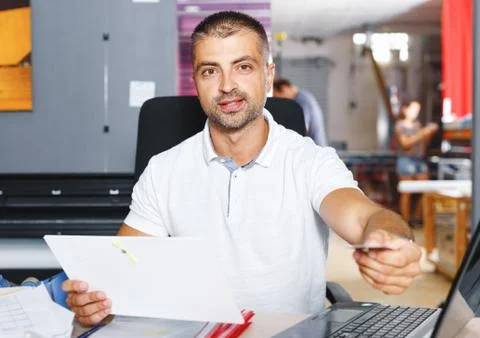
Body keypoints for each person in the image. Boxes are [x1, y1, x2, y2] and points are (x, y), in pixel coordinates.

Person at [63, 11, 422, 327]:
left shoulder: (310, 161)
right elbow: (122, 271)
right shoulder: (164, 169)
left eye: (243, 66)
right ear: (197, 83)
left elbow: (364, 218)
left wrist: (390, 239)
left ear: (268, 75)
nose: (227, 85)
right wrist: (97, 301)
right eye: (210, 71)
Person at [395, 99, 438, 223]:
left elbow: (424, 143)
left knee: (425, 190)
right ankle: (406, 221)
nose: (416, 113)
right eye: (414, 109)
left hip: (419, 159)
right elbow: (405, 144)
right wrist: (422, 133)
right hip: (406, 159)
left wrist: (429, 133)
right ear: (405, 109)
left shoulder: (417, 125)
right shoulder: (400, 125)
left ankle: (418, 217)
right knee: (407, 191)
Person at [273, 77, 328, 147]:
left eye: (277, 96)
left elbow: (301, 128)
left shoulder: (302, 100)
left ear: (284, 88)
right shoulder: (304, 96)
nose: (278, 101)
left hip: (314, 152)